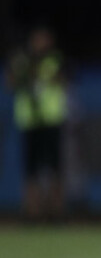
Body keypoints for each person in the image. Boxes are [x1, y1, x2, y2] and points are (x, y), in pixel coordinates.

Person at [5, 27, 68, 220]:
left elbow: (64, 79)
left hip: (51, 120)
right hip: (30, 122)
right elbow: (10, 83)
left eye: (45, 38)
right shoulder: (21, 60)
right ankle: (32, 213)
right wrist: (23, 74)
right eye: (38, 38)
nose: (41, 42)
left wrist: (40, 74)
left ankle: (55, 212)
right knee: (30, 170)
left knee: (55, 168)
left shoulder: (55, 59)